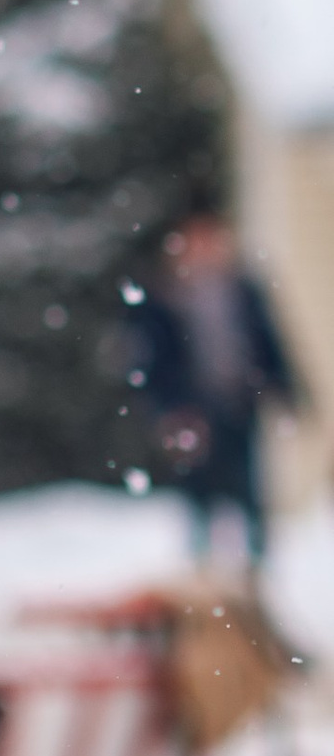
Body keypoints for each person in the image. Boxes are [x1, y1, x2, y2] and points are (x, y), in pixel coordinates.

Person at [136, 205, 304, 569]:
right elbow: (153, 360)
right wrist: (169, 408)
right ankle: (203, 576)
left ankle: (253, 575)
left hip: (240, 403)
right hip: (192, 411)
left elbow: (270, 345)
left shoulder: (243, 289)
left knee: (249, 493)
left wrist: (289, 393)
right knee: (200, 495)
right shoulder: (165, 294)